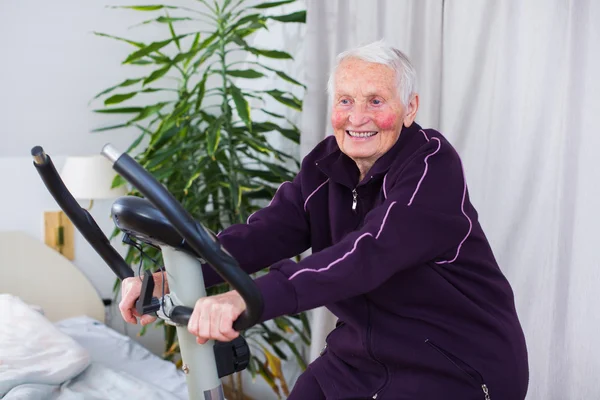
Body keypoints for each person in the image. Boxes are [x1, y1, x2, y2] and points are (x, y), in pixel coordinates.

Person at [120, 41, 529, 399]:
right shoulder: (325, 165)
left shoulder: (431, 167)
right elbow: (263, 235)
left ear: (410, 108)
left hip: (452, 362)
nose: (357, 117)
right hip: (360, 357)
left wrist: (250, 296)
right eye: (346, 100)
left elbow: (366, 253)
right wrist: (170, 278)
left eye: (376, 100)